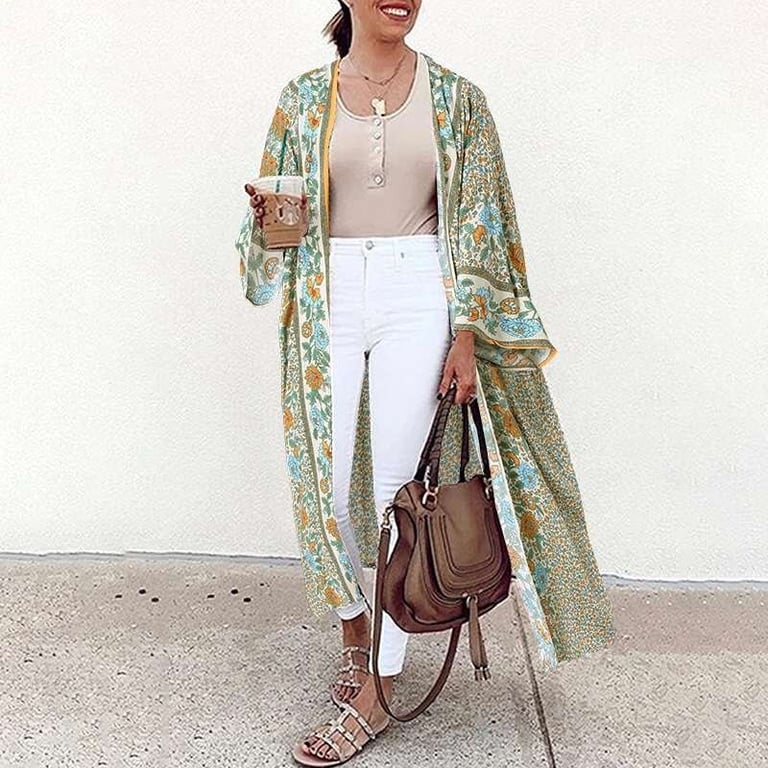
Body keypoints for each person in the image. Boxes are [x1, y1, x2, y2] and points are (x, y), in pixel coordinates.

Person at [237, 1, 616, 764]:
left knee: (397, 502)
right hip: (328, 291)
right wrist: (271, 220)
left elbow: (479, 224)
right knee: (324, 486)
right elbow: (279, 234)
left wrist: (468, 333)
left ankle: (379, 688)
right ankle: (355, 625)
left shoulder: (458, 99)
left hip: (419, 292)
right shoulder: (302, 99)